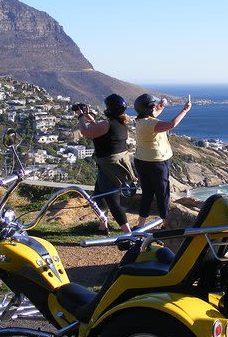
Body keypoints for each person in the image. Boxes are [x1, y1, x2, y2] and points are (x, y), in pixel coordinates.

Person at [76, 94, 136, 234]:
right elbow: (102, 131)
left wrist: (80, 117)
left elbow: (86, 132)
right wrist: (91, 119)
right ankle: (103, 225)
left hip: (109, 167)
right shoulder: (120, 122)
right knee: (98, 196)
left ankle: (128, 233)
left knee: (112, 201)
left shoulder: (107, 123)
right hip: (116, 164)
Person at [133, 93, 192, 229]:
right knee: (163, 194)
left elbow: (152, 115)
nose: (155, 108)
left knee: (147, 193)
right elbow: (171, 124)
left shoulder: (141, 121)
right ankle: (165, 224)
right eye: (153, 106)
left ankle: (140, 225)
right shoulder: (151, 124)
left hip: (141, 160)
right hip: (157, 162)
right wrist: (185, 110)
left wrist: (161, 106)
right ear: (149, 109)